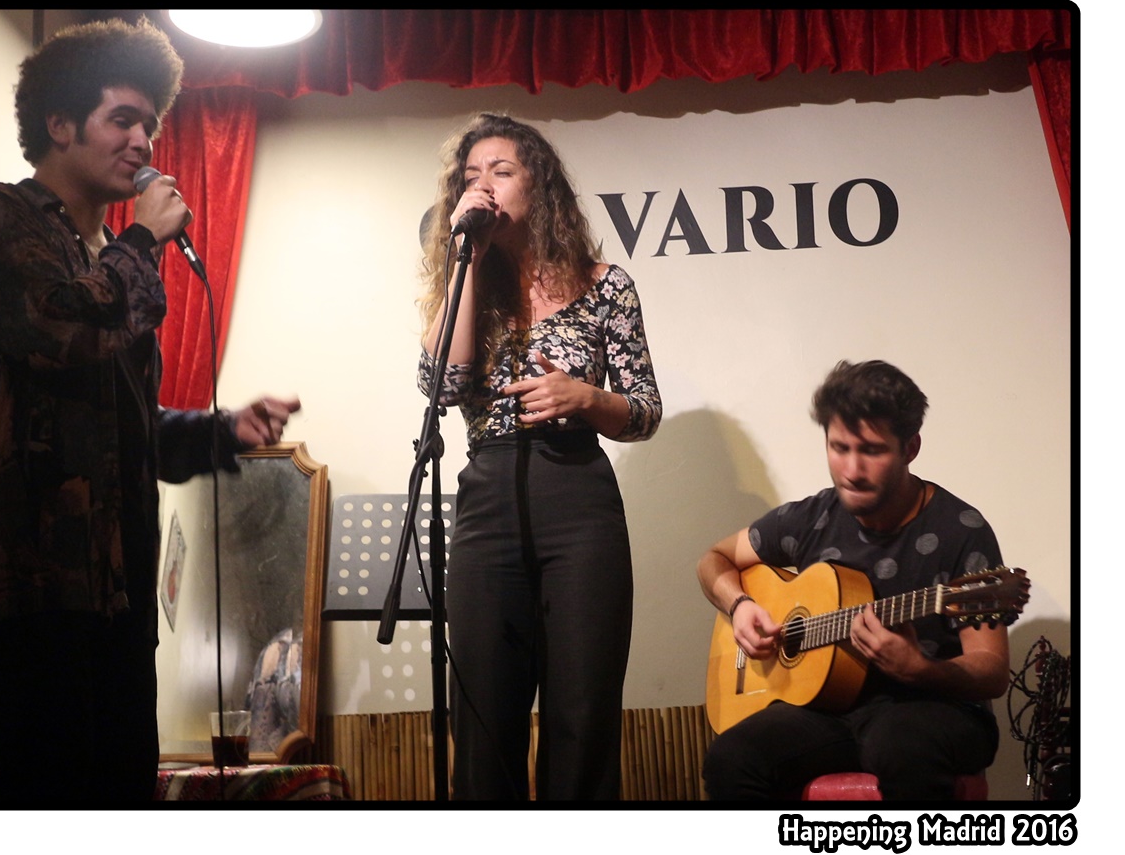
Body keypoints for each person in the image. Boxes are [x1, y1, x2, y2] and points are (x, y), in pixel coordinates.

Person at [0, 16, 300, 801]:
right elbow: (58, 331)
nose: (144, 142)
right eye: (123, 119)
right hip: (36, 584)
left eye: (150, 125)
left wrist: (219, 430)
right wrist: (142, 245)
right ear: (60, 124)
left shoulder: (107, 260)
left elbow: (124, 427)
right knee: (50, 793)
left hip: (120, 590)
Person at [416, 113, 662, 800]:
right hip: (488, 493)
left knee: (581, 712)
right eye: (471, 176)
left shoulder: (605, 284)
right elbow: (442, 386)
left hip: (578, 497)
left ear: (540, 185)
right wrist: (465, 262)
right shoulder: (468, 284)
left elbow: (644, 411)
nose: (484, 185)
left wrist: (585, 397)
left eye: (502, 171)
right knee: (483, 714)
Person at [697, 360, 1008, 800]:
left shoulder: (961, 530)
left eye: (872, 451)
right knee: (731, 759)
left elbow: (992, 670)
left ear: (911, 447)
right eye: (839, 448)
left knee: (900, 746)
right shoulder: (812, 517)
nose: (852, 470)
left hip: (933, 707)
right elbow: (714, 560)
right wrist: (740, 604)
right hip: (829, 710)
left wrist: (922, 669)